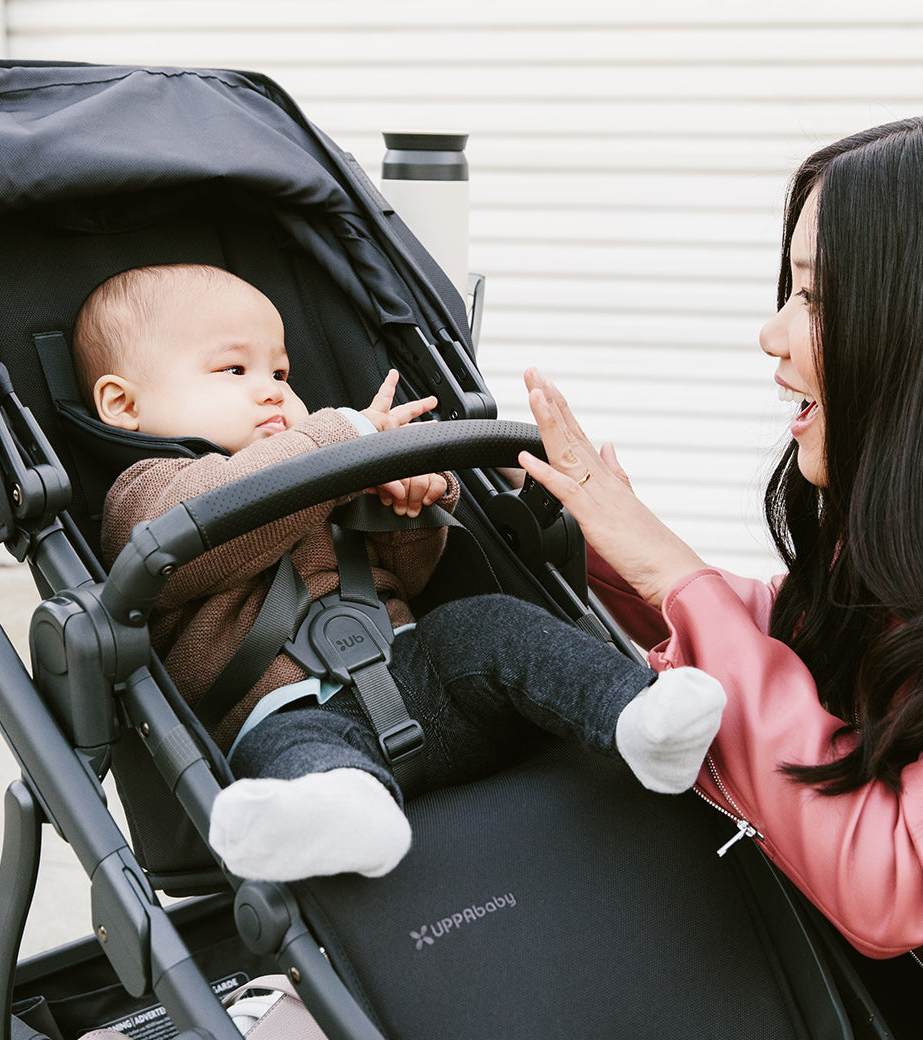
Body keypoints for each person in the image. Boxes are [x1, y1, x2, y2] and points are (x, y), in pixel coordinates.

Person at [76, 262, 726, 882]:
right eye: (233, 368)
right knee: (282, 752)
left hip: (424, 676)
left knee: (486, 625)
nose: (272, 387)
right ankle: (345, 814)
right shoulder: (146, 493)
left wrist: (409, 504)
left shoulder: (328, 469)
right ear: (123, 405)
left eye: (281, 369)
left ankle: (635, 713)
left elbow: (409, 579)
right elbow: (214, 528)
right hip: (292, 711)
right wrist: (337, 440)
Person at [517, 117, 923, 961]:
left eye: (815, 296)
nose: (772, 333)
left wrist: (673, 575)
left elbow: (888, 883)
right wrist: (620, 551)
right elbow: (805, 639)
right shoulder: (890, 571)